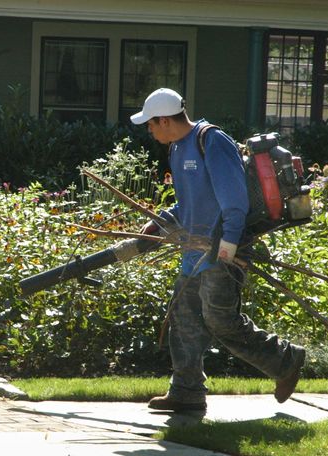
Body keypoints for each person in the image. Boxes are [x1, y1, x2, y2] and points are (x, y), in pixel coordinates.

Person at [130, 88, 306, 412]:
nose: (150, 130)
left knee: (220, 319)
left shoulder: (211, 141)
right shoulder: (177, 149)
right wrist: (162, 221)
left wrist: (227, 246)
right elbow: (189, 201)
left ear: (165, 120)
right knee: (183, 318)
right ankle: (186, 391)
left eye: (151, 124)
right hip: (193, 252)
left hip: (223, 248)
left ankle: (286, 359)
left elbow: (234, 202)